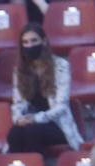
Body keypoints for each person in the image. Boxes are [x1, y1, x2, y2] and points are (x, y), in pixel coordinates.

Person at [8, 24, 82, 154]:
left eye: (34, 40)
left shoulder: (61, 66)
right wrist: (18, 118)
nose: (30, 45)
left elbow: (61, 106)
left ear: (44, 41)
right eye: (25, 42)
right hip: (30, 121)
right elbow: (18, 103)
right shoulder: (19, 70)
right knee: (14, 133)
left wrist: (36, 118)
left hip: (57, 124)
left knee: (33, 131)